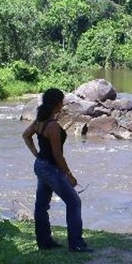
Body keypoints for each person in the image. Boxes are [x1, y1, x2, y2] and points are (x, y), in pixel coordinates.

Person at [22, 88, 93, 252]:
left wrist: (36, 154)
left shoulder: (40, 121)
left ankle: (44, 242)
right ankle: (76, 244)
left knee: (41, 205)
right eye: (62, 101)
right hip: (50, 168)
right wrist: (69, 175)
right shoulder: (52, 125)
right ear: (57, 103)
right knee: (74, 202)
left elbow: (26, 135)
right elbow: (57, 155)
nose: (63, 104)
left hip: (40, 165)